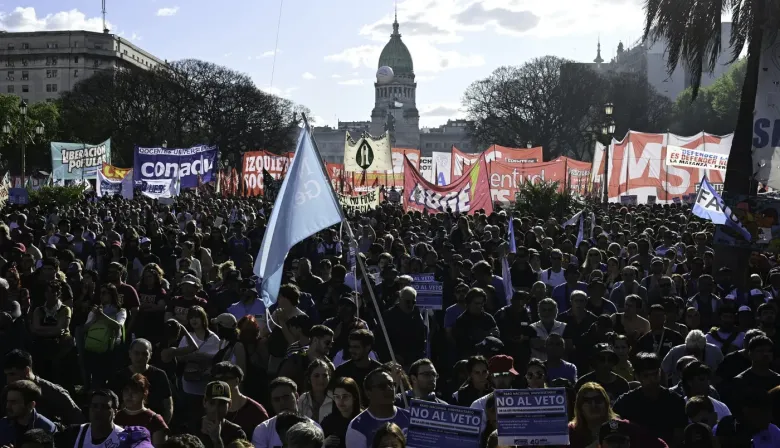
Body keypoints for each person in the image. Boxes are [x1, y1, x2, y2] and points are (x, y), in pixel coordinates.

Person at [613, 352, 687, 446]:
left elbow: (679, 436)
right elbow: (613, 428)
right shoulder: (625, 402)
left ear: (660, 372)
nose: (652, 380)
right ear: (637, 376)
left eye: (655, 374)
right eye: (646, 376)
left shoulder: (675, 401)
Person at [3, 350, 83, 425]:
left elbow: (77, 420)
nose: (8, 380)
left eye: (12, 374)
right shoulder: (7, 392)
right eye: (6, 375)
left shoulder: (53, 393)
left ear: (27, 371)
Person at [109, 339, 174, 423]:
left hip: (152, 424)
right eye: (136, 353)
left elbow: (168, 405)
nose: (140, 357)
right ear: (130, 354)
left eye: (144, 354)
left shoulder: (159, 375)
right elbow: (112, 406)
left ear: (150, 355)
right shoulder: (119, 377)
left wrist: (162, 426)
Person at [345, 368, 410, 448]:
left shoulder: (410, 418)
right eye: (382, 386)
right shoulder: (357, 427)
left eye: (391, 384)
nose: (389, 389)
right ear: (368, 393)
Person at [251, 378, 320, 448]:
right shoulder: (262, 430)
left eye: (286, 397)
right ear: (272, 403)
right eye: (277, 399)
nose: (282, 403)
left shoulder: (314, 428)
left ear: (296, 396)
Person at [210, 362, 269, 438]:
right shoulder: (211, 408)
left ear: (237, 381)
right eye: (215, 380)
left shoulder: (256, 411)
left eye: (224, 379)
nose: (219, 384)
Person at [55, 389, 123, 448]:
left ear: (115, 412)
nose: (98, 410)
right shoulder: (74, 433)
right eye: (94, 406)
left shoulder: (124, 438)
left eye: (104, 407)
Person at [114, 373, 168, 446]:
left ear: (144, 393)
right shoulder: (115, 417)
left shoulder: (154, 420)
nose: (129, 395)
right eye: (126, 390)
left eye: (135, 391)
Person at [0, 380, 57, 446]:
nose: (8, 406)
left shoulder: (47, 428)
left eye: (14, 402)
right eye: (8, 401)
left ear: (31, 405)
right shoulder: (3, 425)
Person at [334, 330, 382, 403]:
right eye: (350, 346)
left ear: (367, 347)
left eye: (356, 347)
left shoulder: (380, 371)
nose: (351, 350)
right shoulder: (341, 371)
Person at [195, 381, 246, 448]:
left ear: (229, 404)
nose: (216, 408)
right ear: (204, 402)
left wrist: (217, 440)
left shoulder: (237, 434)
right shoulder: (190, 428)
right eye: (212, 403)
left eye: (222, 404)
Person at [321, 377, 362, 448]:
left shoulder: (363, 420)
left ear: (354, 397)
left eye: (345, 396)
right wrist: (324, 443)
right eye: (337, 397)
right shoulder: (328, 422)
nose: (341, 401)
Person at [297, 359, 335, 423]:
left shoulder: (335, 398)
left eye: (325, 375)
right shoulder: (303, 399)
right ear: (309, 378)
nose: (321, 379)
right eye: (316, 376)